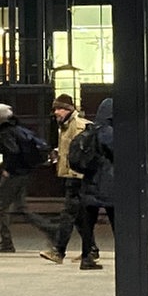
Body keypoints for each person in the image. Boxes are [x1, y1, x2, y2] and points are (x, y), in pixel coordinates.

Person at [0, 103, 51, 253]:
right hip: (24, 173)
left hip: (13, 174)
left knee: (2, 207)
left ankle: (6, 242)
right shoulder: (19, 129)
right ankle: (50, 229)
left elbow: (13, 151)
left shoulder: (6, 132)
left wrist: (7, 170)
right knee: (21, 208)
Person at [41, 95, 92, 266]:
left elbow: (80, 152)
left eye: (59, 109)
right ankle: (91, 249)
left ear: (69, 109)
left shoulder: (78, 126)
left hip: (76, 176)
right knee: (79, 216)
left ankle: (58, 251)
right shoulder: (65, 126)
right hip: (70, 175)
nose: (56, 112)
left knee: (68, 214)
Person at [70, 98, 118, 271]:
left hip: (90, 183)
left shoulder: (90, 130)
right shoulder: (108, 132)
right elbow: (118, 152)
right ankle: (125, 258)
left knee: (88, 224)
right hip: (107, 183)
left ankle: (86, 257)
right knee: (117, 222)